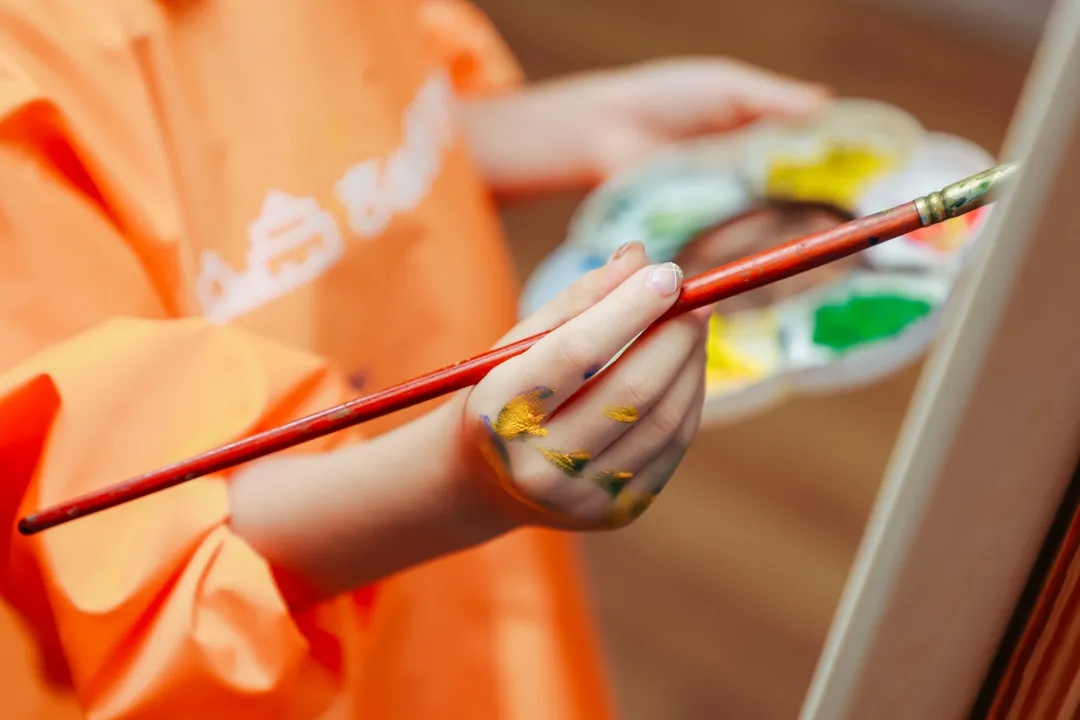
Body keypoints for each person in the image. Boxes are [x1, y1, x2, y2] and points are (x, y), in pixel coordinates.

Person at [0, 1, 829, 717]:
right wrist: (456, 482)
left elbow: (306, 129)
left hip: (472, 594)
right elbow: (114, 540)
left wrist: (555, 128)